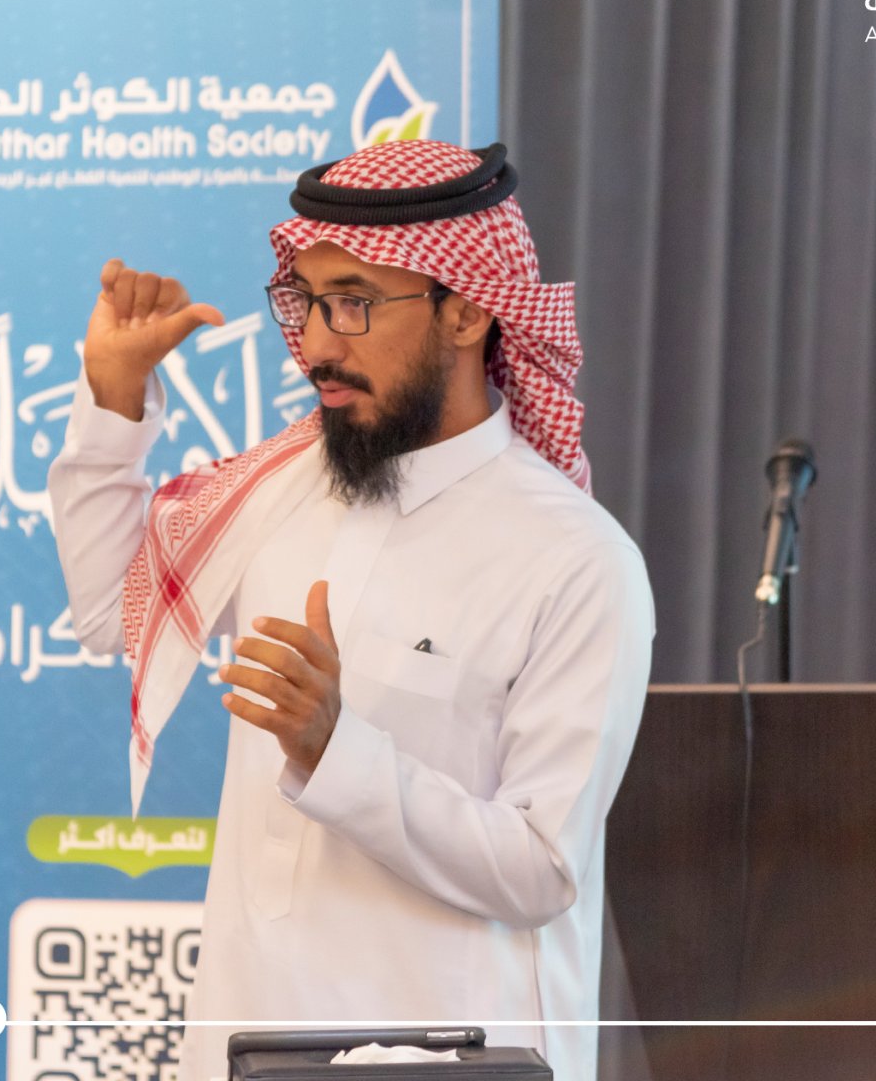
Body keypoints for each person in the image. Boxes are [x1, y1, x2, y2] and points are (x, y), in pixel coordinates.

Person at [46, 138, 654, 1081]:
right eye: (309, 302)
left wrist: (336, 751)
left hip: (451, 1059)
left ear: (466, 310)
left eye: (355, 303)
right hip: (250, 1045)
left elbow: (543, 868)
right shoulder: (275, 493)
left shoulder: (574, 557)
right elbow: (107, 615)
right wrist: (114, 401)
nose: (320, 345)